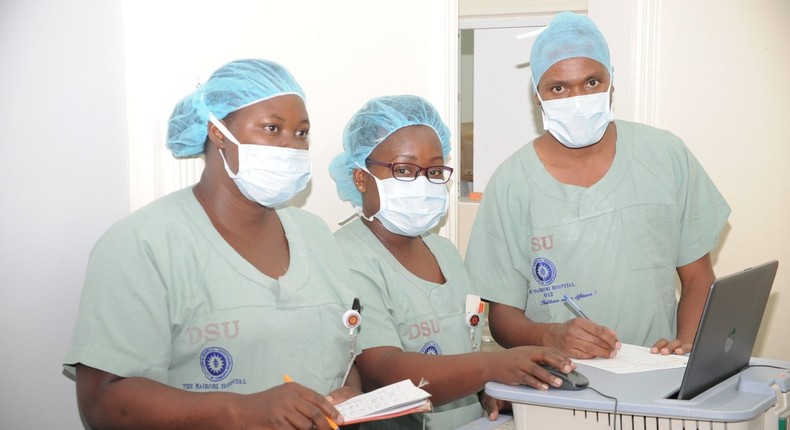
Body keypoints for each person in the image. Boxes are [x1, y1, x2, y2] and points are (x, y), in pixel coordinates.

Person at [63, 59, 362, 430]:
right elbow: (102, 401)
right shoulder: (144, 243)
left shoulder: (315, 235)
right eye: (273, 128)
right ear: (218, 132)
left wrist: (349, 396)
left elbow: (343, 355)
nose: (291, 147)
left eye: (301, 134)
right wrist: (241, 411)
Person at [465, 12, 731, 360]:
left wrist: (686, 348)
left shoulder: (665, 156)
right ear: (538, 97)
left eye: (591, 82)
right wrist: (551, 336)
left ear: (611, 85)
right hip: (558, 383)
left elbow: (699, 279)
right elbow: (502, 317)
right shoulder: (511, 183)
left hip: (654, 374)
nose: (577, 98)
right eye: (558, 87)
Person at [329, 95, 575, 429]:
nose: (422, 182)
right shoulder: (343, 258)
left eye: (433, 170)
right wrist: (491, 368)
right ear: (361, 179)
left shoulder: (443, 251)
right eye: (403, 170)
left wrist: (488, 390)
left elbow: (463, 352)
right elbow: (381, 371)